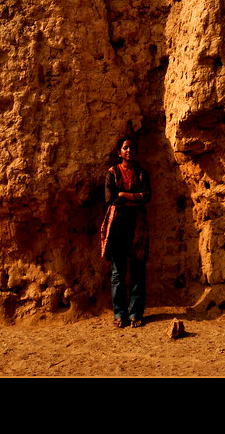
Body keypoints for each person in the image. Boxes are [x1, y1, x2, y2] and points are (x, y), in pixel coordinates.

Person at [101, 136, 151, 328]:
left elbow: (147, 196)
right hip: (117, 227)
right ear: (119, 152)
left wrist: (123, 195)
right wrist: (131, 198)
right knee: (118, 273)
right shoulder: (112, 173)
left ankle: (136, 314)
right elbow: (110, 198)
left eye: (131, 147)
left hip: (137, 226)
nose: (129, 151)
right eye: (125, 148)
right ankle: (120, 314)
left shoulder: (141, 173)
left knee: (138, 271)